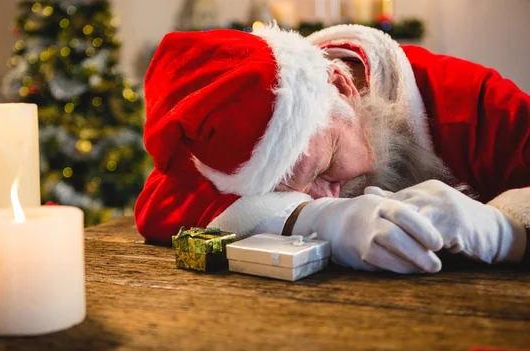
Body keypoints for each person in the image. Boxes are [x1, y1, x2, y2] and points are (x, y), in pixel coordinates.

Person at [135, 24, 530, 274]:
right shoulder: (242, 123)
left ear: (342, 86)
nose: (326, 194)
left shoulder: (470, 101)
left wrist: (506, 231)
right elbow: (158, 204)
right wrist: (315, 221)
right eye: (291, 188)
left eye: (324, 167)